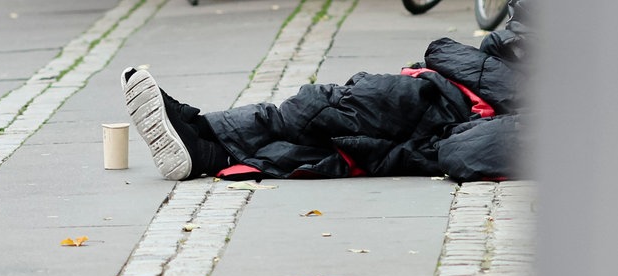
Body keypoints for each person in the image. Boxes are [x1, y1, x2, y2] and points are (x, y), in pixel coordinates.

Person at [121, 0, 533, 183]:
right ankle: (204, 141)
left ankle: (207, 144)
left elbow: (467, 152)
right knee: (330, 118)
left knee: (334, 126)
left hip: (471, 108)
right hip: (463, 87)